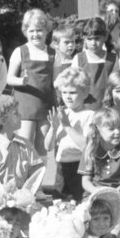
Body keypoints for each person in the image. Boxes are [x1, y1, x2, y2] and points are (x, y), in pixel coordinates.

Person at [6, 8, 55, 153]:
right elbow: (9, 78)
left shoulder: (53, 53)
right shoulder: (20, 51)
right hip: (25, 105)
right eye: (31, 31)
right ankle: (23, 169)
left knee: (43, 146)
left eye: (39, 30)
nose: (35, 34)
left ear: (46, 31)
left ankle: (42, 169)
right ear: (25, 32)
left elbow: (57, 81)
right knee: (24, 144)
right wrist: (21, 81)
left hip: (46, 105)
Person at [45, 67, 95, 202]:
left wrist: (67, 126)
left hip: (80, 167)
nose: (67, 96)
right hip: (61, 166)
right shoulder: (62, 113)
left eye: (72, 92)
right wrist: (53, 128)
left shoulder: (89, 115)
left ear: (85, 93)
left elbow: (86, 145)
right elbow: (48, 147)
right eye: (64, 92)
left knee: (79, 203)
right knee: (60, 204)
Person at [0, 94, 44, 191]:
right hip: (1, 199)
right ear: (3, 120)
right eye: (16, 113)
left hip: (25, 197)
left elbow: (36, 173)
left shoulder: (26, 145)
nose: (20, 116)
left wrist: (30, 192)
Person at [80, 107, 120, 197]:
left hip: (119, 194)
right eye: (111, 129)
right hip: (94, 194)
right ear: (98, 130)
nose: (117, 132)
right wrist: (96, 191)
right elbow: (86, 181)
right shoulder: (90, 151)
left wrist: (112, 193)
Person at [73, 17, 115, 103]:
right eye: (89, 39)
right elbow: (73, 84)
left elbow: (116, 84)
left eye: (97, 38)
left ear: (105, 37)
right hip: (83, 107)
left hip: (106, 106)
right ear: (84, 38)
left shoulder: (112, 59)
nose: (93, 43)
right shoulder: (78, 58)